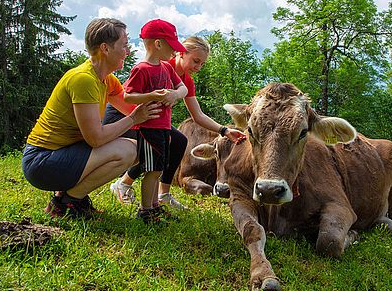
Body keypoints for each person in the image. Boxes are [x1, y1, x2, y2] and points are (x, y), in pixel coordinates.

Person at [22, 18, 160, 219]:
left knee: (138, 146)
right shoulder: (83, 79)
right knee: (129, 150)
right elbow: (95, 138)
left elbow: (133, 107)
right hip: (41, 162)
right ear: (105, 48)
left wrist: (161, 101)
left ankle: (70, 196)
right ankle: (68, 202)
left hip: (62, 154)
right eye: (124, 45)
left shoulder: (106, 79)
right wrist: (133, 119)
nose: (128, 51)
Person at [105, 35, 246, 211]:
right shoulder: (162, 64)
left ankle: (163, 195)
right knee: (160, 146)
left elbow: (198, 115)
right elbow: (127, 96)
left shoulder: (185, 80)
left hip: (150, 120)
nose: (198, 67)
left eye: (202, 64)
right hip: (122, 115)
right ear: (180, 53)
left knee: (179, 141)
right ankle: (124, 184)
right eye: (195, 61)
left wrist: (224, 131)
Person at [105, 18, 188, 223]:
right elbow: (128, 96)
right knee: (151, 171)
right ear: (158, 44)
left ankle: (154, 206)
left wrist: (174, 95)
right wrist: (152, 96)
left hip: (163, 127)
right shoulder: (141, 69)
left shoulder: (166, 68)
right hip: (148, 127)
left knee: (158, 168)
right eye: (172, 47)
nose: (175, 52)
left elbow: (182, 88)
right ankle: (145, 210)